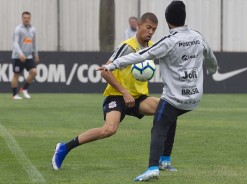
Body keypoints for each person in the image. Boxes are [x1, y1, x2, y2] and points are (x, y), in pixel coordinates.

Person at [99, 0, 218, 181]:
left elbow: (141, 55)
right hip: (194, 99)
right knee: (169, 116)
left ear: (168, 21)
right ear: (184, 18)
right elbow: (210, 57)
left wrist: (113, 64)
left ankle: (153, 167)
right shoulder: (198, 36)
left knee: (159, 126)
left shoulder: (168, 41)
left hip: (175, 97)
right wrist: (212, 69)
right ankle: (165, 160)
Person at [52, 12, 177, 172]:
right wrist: (124, 92)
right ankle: (64, 147)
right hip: (118, 96)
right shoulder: (127, 46)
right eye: (148, 28)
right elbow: (105, 71)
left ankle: (164, 159)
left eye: (154, 29)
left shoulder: (152, 47)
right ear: (139, 26)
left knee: (169, 109)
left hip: (138, 98)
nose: (151, 32)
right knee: (109, 129)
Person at [11, 11, 40, 100]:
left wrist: (36, 54)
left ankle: (24, 89)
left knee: (34, 72)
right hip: (18, 56)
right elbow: (15, 43)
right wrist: (20, 54)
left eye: (28, 18)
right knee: (17, 75)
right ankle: (14, 95)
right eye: (25, 18)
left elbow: (34, 43)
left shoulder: (33, 29)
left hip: (28, 56)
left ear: (30, 19)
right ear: (22, 18)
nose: (26, 19)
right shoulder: (18, 29)